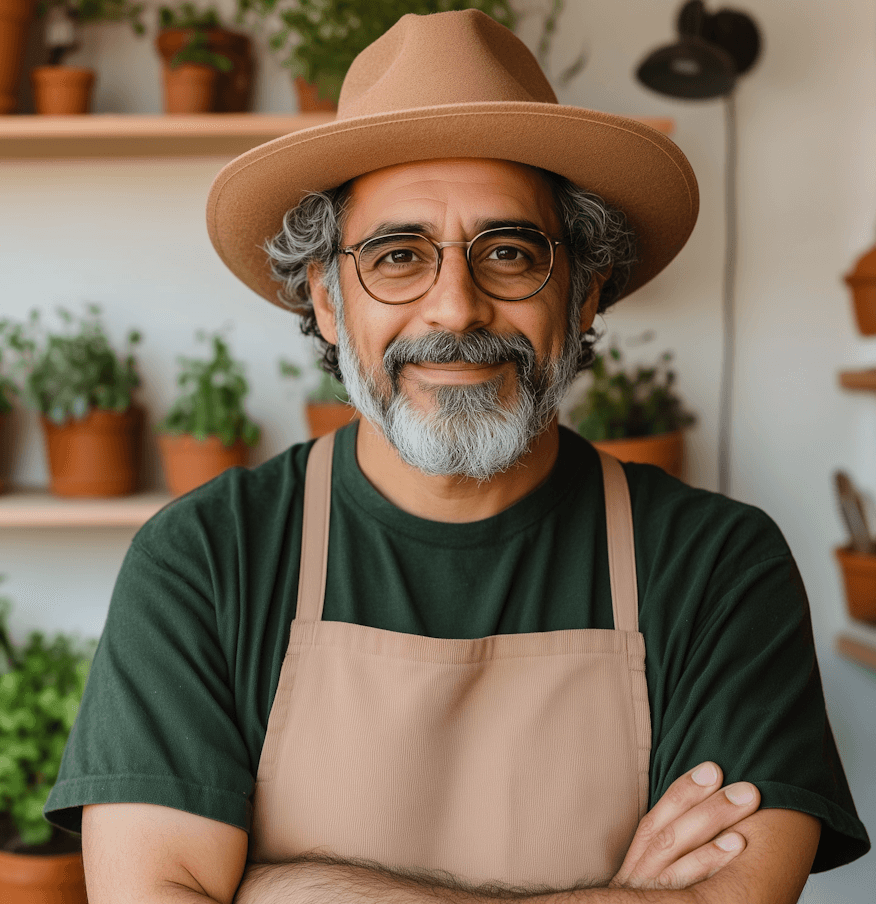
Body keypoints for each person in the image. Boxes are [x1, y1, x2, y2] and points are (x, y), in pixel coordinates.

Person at [44, 10, 869, 903]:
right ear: (325, 301)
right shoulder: (207, 559)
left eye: (509, 253)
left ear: (586, 292)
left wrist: (278, 887)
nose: (455, 308)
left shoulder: (715, 566)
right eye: (398, 256)